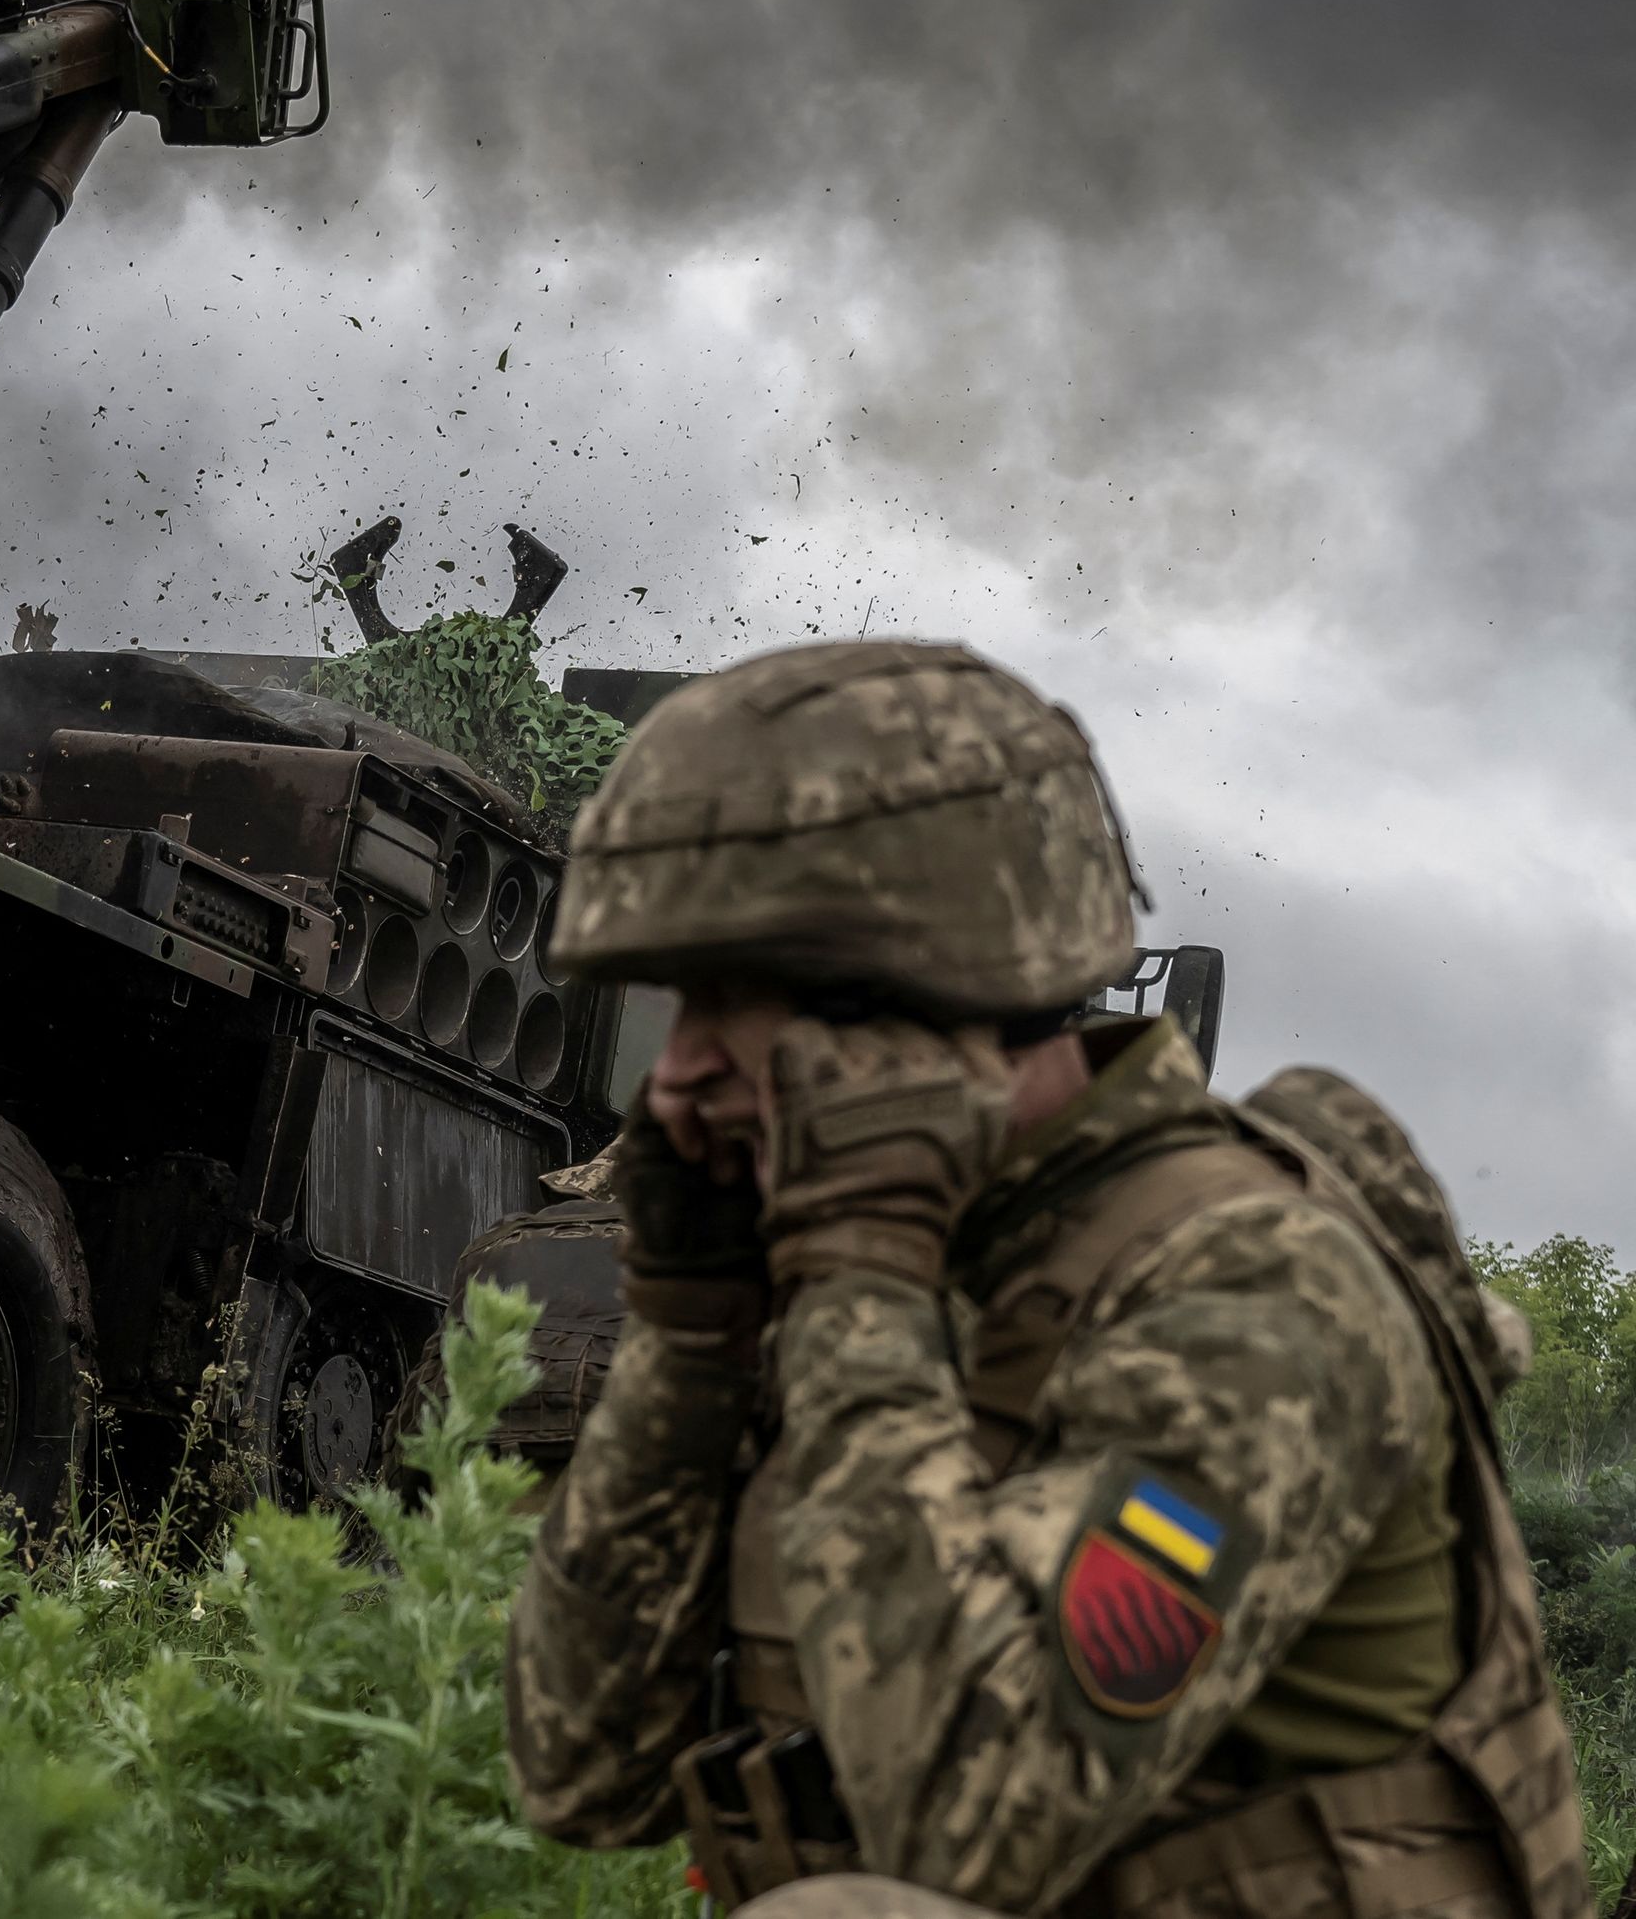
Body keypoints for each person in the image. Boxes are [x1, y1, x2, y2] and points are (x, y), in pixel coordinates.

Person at [506, 640, 1581, 1919]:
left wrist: (854, 1271)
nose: (672, 1079)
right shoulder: (921, 1270)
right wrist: (692, 1345)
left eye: (725, 1008)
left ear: (925, 992)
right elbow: (584, 1771)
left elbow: (966, 1830)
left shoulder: (1258, 1292)